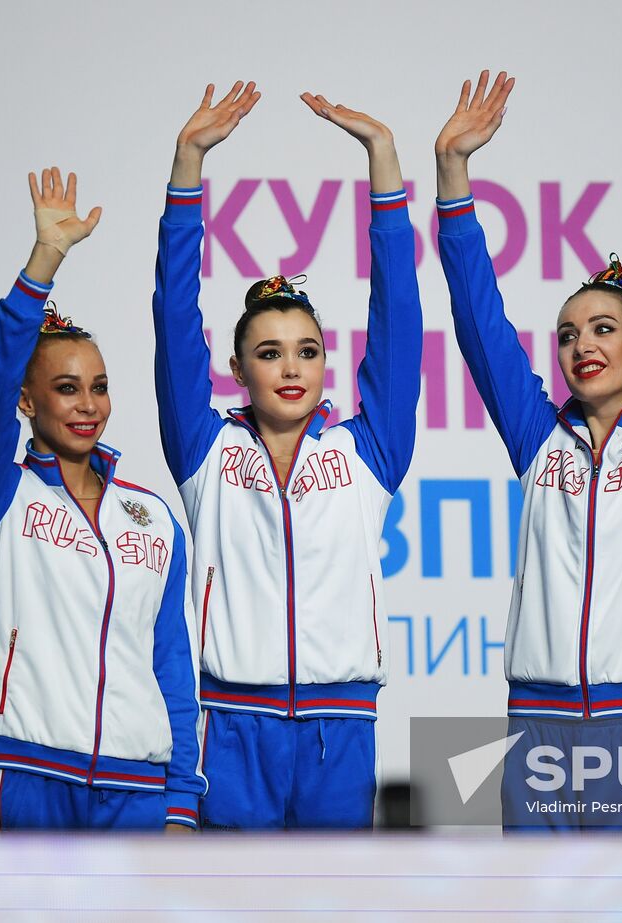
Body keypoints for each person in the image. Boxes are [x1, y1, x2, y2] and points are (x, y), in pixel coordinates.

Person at [435, 75, 622, 829]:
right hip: (533, 724)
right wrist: (452, 172)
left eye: (604, 329)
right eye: (569, 333)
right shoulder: (541, 440)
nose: (582, 345)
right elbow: (480, 320)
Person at [152, 81, 422, 828]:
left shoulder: (365, 452)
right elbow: (174, 316)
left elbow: (398, 316)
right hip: (230, 728)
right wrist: (187, 167)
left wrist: (383, 162)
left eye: (308, 350)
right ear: (237, 370)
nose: (292, 367)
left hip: (343, 729)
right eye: (269, 353)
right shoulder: (206, 452)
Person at [0, 167, 204, 831]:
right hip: (26, 777)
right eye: (66, 388)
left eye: (98, 385)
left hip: (137, 788)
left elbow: (171, 663)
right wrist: (43, 264)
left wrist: (180, 799)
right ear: (28, 400)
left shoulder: (153, 520)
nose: (88, 404)